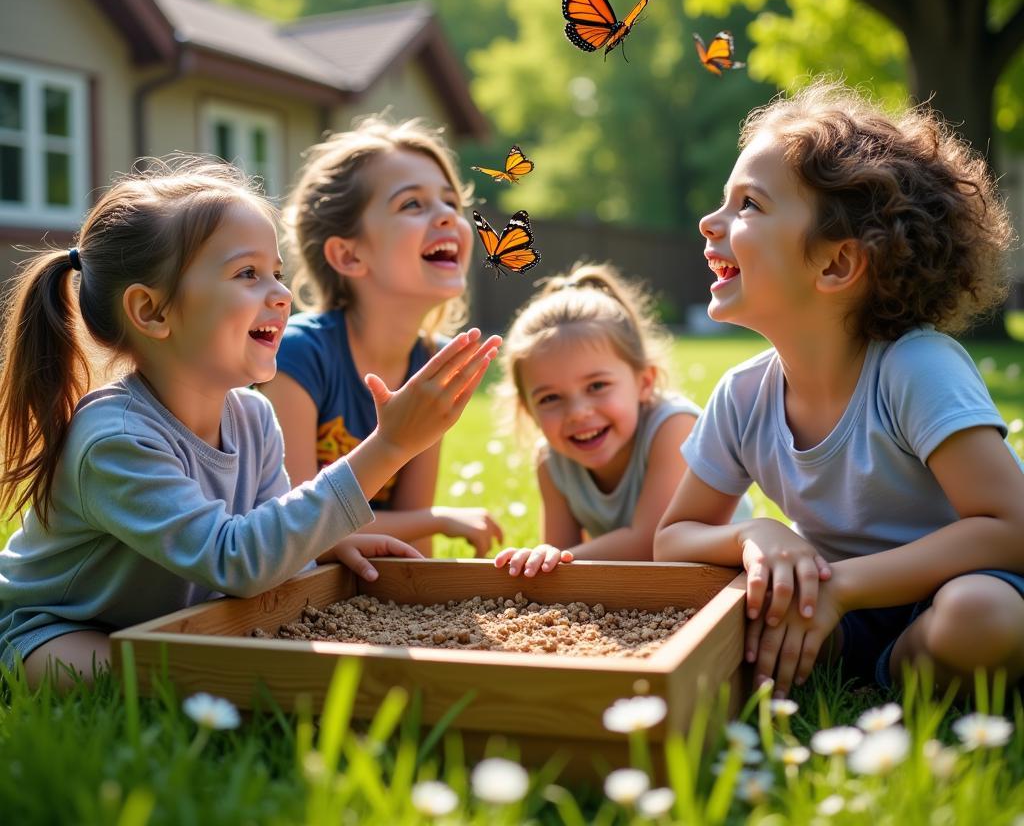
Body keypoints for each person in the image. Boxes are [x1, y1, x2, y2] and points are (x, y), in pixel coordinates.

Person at [0, 157, 500, 686]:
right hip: (52, 629)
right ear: (152, 312)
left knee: (209, 660)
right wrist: (389, 446)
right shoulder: (115, 439)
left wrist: (324, 544)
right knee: (171, 681)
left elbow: (269, 536)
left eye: (277, 274)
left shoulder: (253, 417)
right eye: (247, 274)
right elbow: (237, 561)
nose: (282, 295)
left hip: (172, 622)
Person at [654, 81, 1024, 698]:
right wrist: (757, 533)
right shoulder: (743, 396)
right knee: (735, 606)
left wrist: (844, 588)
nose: (710, 221)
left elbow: (1012, 528)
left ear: (835, 265)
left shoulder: (916, 369)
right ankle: (865, 674)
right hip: (835, 606)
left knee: (979, 615)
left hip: (964, 586)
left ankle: (888, 676)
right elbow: (674, 539)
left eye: (748, 204)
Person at [260, 117, 504, 558]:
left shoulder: (429, 361)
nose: (448, 215)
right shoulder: (297, 357)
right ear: (349, 254)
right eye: (413, 204)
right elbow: (291, 526)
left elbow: (415, 538)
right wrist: (437, 518)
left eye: (450, 201)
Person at [492, 262, 751, 577]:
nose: (577, 412)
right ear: (528, 409)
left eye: (597, 386)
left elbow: (651, 545)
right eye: (550, 398)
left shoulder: (672, 427)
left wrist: (559, 557)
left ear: (644, 382)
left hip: (730, 577)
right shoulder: (551, 461)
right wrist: (547, 558)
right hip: (651, 594)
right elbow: (561, 570)